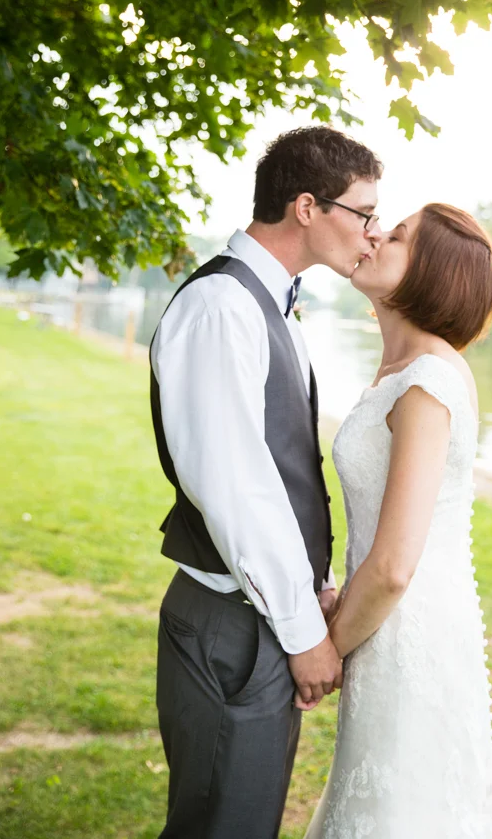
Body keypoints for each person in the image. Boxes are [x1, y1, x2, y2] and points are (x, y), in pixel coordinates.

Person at [149, 126, 383, 839]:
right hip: (234, 624)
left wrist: (309, 591)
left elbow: (277, 469)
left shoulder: (266, 300)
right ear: (307, 208)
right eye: (364, 213)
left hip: (257, 615)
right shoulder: (222, 305)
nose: (372, 234)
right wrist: (299, 628)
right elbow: (234, 487)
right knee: (224, 826)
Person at [305, 204, 492, 838]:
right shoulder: (398, 372)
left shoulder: (427, 382)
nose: (373, 236)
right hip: (384, 626)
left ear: (431, 273)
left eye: (395, 236)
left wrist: (324, 653)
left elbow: (393, 566)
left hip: (409, 636)